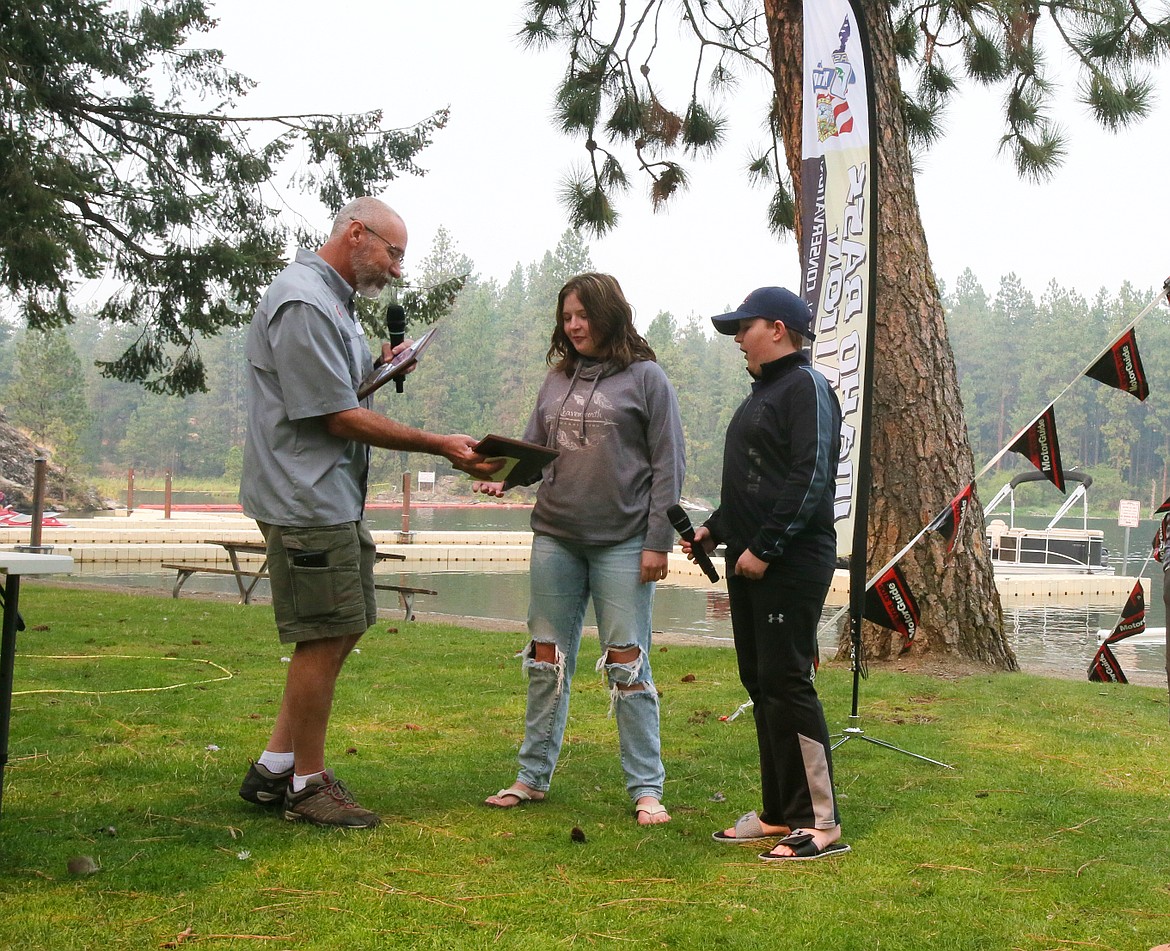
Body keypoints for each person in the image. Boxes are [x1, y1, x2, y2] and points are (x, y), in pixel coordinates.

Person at [237, 196, 501, 828]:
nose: (398, 270)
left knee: (343, 625)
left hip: (328, 493)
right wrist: (439, 443)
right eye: (393, 252)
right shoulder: (303, 301)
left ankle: (275, 767)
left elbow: (337, 388)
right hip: (305, 496)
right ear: (357, 234)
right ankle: (308, 784)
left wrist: (384, 366)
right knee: (322, 633)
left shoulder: (332, 302)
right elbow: (333, 414)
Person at [475, 272, 685, 825]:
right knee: (545, 656)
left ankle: (646, 788)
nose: (573, 326)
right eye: (566, 317)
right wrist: (505, 477)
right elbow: (535, 451)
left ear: (608, 313)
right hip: (556, 537)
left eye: (582, 315)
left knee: (626, 660)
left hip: (623, 543)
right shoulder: (556, 379)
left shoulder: (647, 379)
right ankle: (531, 776)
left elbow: (669, 466)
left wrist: (657, 542)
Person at [682, 286, 849, 861]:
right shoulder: (764, 394)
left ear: (777, 329)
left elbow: (810, 477)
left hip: (789, 563)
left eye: (743, 328)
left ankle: (820, 822)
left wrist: (768, 547)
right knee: (761, 682)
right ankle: (781, 812)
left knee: (787, 681)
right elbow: (757, 481)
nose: (736, 339)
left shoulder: (807, 388)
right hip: (752, 561)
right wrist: (715, 529)